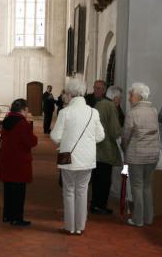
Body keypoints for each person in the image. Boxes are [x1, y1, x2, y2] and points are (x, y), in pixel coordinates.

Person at [51, 79, 105, 235]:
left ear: (70, 94)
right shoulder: (93, 112)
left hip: (68, 158)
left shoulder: (65, 112)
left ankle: (70, 227)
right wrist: (87, 142)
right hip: (87, 159)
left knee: (69, 191)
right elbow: (100, 136)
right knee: (82, 192)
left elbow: (55, 136)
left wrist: (67, 140)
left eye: (66, 94)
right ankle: (80, 227)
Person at [121, 82, 160, 227]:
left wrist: (124, 148)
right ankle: (148, 218)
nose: (129, 98)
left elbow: (126, 135)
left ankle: (138, 219)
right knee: (147, 186)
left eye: (131, 95)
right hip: (152, 155)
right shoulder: (153, 111)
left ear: (138, 96)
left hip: (136, 155)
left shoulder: (133, 113)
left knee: (137, 186)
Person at [0, 99, 38, 226]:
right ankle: (17, 218)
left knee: (8, 190)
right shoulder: (22, 123)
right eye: (27, 110)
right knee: (19, 192)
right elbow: (31, 142)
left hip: (7, 160)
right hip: (19, 162)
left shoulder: (6, 121)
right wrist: (35, 137)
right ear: (22, 109)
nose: (28, 112)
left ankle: (7, 215)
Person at [90, 81, 122, 215]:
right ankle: (100, 205)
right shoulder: (110, 106)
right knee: (104, 179)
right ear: (115, 97)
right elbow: (115, 131)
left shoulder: (97, 104)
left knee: (96, 178)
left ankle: (94, 204)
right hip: (106, 148)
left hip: (94, 146)